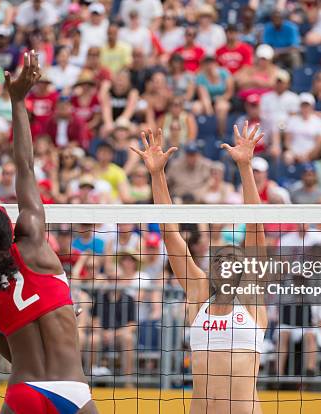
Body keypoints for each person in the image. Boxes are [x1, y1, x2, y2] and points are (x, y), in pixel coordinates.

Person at [0, 51, 97, 414]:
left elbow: (12, 354)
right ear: (9, 230)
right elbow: (25, 166)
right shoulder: (33, 245)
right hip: (71, 390)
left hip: (23, 391)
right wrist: (17, 100)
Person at [131, 124, 267, 414]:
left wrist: (245, 167)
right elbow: (171, 235)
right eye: (219, 260)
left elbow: (256, 226)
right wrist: (157, 175)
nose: (224, 265)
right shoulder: (198, 292)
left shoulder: (250, 298)